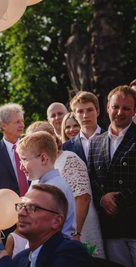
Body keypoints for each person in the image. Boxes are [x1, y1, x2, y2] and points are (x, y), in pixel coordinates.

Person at [26, 121, 105, 258]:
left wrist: (76, 234)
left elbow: (83, 197)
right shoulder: (38, 166)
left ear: (51, 138)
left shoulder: (69, 159)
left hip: (77, 231)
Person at [0, 184, 93, 267]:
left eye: (33, 208)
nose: (21, 213)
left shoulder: (72, 252)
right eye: (21, 206)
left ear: (56, 221)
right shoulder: (21, 258)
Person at [88, 85, 136, 267]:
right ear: (108, 107)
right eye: (115, 107)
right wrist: (102, 199)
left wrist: (119, 199)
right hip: (110, 228)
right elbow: (90, 179)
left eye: (126, 108)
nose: (119, 112)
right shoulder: (95, 143)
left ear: (134, 111)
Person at [16, 131, 76, 238]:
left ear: (43, 158)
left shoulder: (52, 189)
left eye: (24, 160)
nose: (21, 167)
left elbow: (39, 230)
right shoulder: (45, 184)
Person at [0, 103, 27, 211]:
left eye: (22, 121)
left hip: (34, 208)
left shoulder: (31, 146)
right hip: (7, 213)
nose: (22, 125)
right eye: (17, 122)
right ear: (3, 126)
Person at [62, 91, 104, 164]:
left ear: (97, 111)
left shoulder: (110, 139)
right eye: (80, 111)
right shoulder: (66, 147)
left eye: (89, 110)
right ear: (75, 115)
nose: (85, 115)